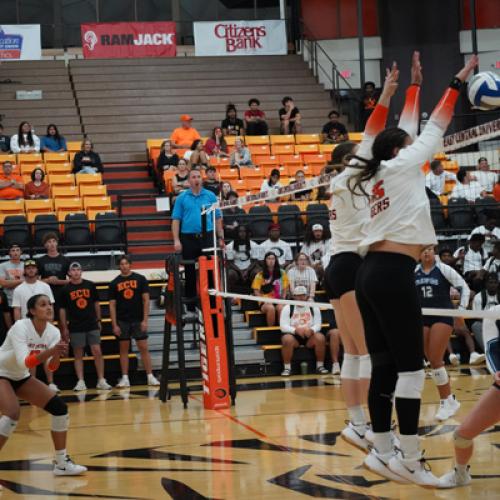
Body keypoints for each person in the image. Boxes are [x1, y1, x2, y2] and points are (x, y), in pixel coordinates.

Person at [349, 54, 478, 486]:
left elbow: (386, 133)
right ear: (400, 149)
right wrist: (458, 81)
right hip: (390, 273)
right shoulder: (404, 164)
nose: (413, 143)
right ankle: (410, 458)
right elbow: (436, 125)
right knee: (409, 370)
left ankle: (382, 452)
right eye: (407, 141)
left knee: (385, 367)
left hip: (369, 274)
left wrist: (411, 90)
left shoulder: (377, 172)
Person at [324, 61, 406, 456]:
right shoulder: (350, 177)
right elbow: (372, 134)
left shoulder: (339, 186)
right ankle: (367, 427)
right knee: (365, 354)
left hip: (336, 266)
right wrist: (387, 94)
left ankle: (357, 425)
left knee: (352, 354)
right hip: (354, 265)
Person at [0, 294, 87, 476]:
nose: (49, 308)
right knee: (12, 413)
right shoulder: (20, 327)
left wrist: (57, 354)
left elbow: (51, 367)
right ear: (32, 311)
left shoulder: (53, 332)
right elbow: (26, 362)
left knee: (59, 408)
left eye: (50, 304)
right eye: (42, 305)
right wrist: (52, 350)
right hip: (1, 373)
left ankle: (62, 463)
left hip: (19, 376)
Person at [438, 304, 500, 488]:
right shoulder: (494, 313)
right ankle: (461, 473)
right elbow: (491, 347)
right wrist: (497, 372)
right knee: (461, 436)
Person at [415, 246, 470, 421]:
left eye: (429, 249)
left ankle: (447, 400)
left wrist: (459, 311)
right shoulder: (414, 270)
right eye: (422, 250)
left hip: (443, 315)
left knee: (436, 359)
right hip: (423, 317)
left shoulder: (443, 268)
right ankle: (449, 400)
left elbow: (464, 287)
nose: (426, 253)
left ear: (434, 252)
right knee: (431, 359)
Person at [172, 169, 224, 314]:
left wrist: (220, 237)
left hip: (207, 236)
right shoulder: (182, 198)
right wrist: (176, 240)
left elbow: (218, 217)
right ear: (188, 181)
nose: (196, 179)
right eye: (193, 177)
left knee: (209, 269)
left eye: (198, 177)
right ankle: (190, 304)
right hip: (188, 238)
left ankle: (212, 302)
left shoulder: (210, 196)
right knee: (189, 271)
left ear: (202, 179)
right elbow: (176, 220)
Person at [59, 262, 111, 391]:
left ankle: (101, 380)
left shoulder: (90, 285)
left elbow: (96, 304)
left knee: (97, 351)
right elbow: (62, 310)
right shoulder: (65, 290)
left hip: (91, 324)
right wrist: (64, 327)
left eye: (78, 270)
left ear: (81, 272)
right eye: (73, 270)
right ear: (69, 273)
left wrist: (99, 320)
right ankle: (81, 381)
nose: (76, 272)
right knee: (78, 354)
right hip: (75, 325)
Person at [109, 256, 160, 388]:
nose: (124, 266)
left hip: (138, 319)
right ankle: (125, 378)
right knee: (124, 349)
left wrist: (145, 320)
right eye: (122, 264)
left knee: (143, 348)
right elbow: (112, 305)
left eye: (126, 263)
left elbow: (146, 300)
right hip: (122, 320)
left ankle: (150, 376)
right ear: (119, 266)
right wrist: (114, 324)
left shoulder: (140, 279)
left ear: (130, 265)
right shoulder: (114, 283)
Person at [12, 260, 58, 392]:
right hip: (27, 328)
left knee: (48, 354)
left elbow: (51, 305)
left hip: (44, 326)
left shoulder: (45, 286)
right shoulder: (18, 289)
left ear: (37, 270)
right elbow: (16, 309)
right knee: (32, 357)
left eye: (33, 268)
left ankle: (51, 383)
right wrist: (17, 327)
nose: (31, 270)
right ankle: (32, 386)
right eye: (28, 268)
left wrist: (50, 322)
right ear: (24, 271)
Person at [279, 286, 327, 376]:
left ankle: (320, 366)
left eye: (302, 295)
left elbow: (318, 324)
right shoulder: (288, 307)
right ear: (293, 296)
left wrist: (312, 330)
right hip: (294, 337)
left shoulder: (313, 307)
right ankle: (287, 368)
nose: (300, 298)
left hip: (309, 336)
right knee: (286, 339)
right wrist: (295, 330)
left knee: (320, 338)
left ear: (307, 296)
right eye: (297, 296)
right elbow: (283, 326)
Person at [36, 233, 70, 319]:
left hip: (62, 293)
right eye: (49, 242)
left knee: (62, 321)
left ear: (57, 243)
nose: (51, 244)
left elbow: (72, 280)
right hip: (45, 293)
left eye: (54, 241)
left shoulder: (65, 260)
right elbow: (34, 281)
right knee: (47, 320)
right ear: (45, 245)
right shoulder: (40, 260)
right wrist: (48, 280)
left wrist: (58, 282)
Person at [252, 252, 288, 327]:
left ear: (276, 260)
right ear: (265, 261)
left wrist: (283, 299)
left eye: (273, 259)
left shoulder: (282, 273)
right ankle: (270, 331)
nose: (271, 261)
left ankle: (283, 331)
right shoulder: (260, 275)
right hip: (265, 301)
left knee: (281, 308)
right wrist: (263, 300)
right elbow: (256, 291)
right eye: (269, 259)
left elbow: (285, 288)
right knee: (270, 308)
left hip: (279, 300)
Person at [226, 225, 260, 294]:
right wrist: (240, 271)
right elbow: (230, 262)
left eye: (244, 231)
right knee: (230, 274)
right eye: (240, 231)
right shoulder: (230, 246)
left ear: (247, 233)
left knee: (256, 273)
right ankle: (230, 296)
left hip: (250, 268)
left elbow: (254, 261)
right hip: (235, 269)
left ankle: (257, 294)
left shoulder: (254, 245)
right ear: (236, 233)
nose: (242, 233)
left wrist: (247, 271)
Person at [471, 273, 499, 352]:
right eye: (490, 282)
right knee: (475, 326)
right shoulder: (479, 297)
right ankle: (489, 352)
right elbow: (477, 316)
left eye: (495, 282)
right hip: (484, 323)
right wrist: (490, 322)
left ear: (498, 284)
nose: (493, 285)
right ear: (486, 284)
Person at [0, 244, 24, 309]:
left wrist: (10, 283)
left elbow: (30, 282)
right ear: (9, 252)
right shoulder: (2, 266)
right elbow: (3, 283)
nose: (15, 252)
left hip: (23, 299)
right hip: (8, 300)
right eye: (13, 250)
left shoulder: (26, 265)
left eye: (17, 250)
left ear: (21, 252)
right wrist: (22, 281)